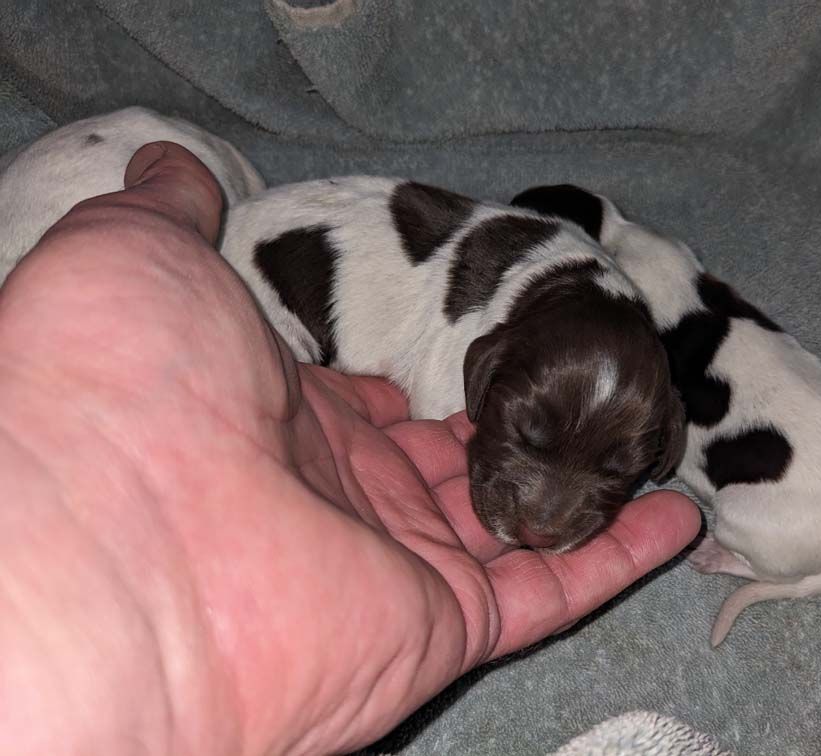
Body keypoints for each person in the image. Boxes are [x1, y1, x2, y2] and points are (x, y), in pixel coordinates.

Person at [0, 142, 700, 755]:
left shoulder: (572, 327)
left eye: (615, 471)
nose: (547, 515)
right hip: (249, 300)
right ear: (485, 367)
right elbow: (439, 404)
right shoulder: (480, 329)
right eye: (525, 434)